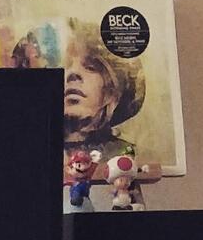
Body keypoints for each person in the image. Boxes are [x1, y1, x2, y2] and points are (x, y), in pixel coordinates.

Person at [59, 22, 145, 168]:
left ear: (112, 93)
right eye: (64, 66)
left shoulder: (124, 154)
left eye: (90, 67)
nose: (72, 74)